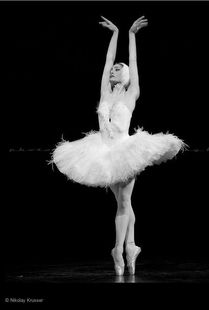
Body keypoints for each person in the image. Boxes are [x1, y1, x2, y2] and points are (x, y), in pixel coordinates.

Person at [49, 16, 187, 276]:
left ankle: (118, 250)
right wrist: (115, 33)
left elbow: (134, 64)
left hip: (124, 151)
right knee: (125, 202)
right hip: (102, 152)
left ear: (124, 75)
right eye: (112, 69)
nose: (113, 70)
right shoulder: (104, 92)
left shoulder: (132, 93)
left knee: (123, 203)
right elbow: (105, 62)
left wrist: (132, 35)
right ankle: (132, 246)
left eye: (117, 69)